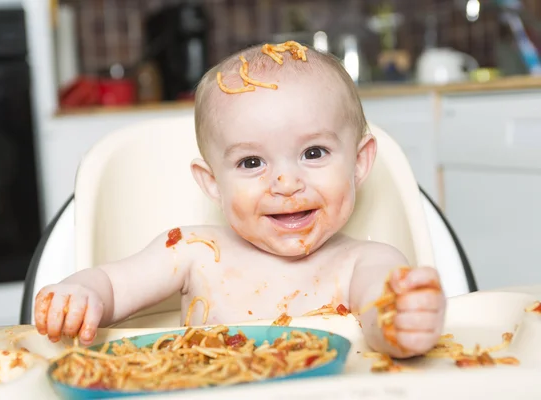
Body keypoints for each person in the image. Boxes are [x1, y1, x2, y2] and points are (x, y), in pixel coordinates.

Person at [34, 42, 446, 359]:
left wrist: (401, 322)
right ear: (212, 183)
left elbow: (379, 314)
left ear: (359, 163)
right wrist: (82, 294)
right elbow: (110, 285)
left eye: (314, 153)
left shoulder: (368, 262)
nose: (285, 182)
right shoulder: (193, 253)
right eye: (252, 162)